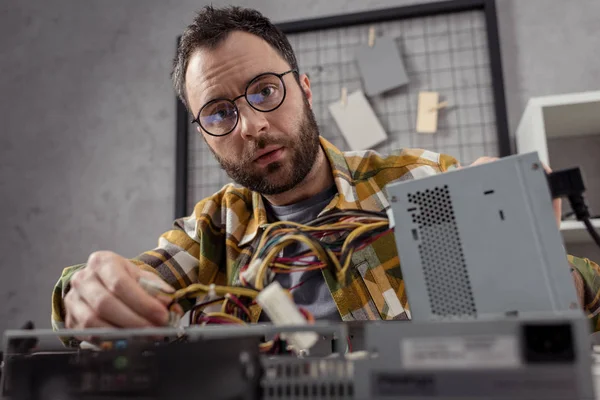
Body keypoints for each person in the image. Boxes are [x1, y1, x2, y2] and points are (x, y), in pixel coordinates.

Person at [51, 6, 600, 345]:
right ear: (204, 132)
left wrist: (550, 276)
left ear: (305, 88)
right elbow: (115, 289)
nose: (254, 125)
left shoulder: (419, 182)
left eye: (265, 90)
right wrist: (82, 290)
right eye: (220, 112)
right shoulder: (212, 233)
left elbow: (585, 290)